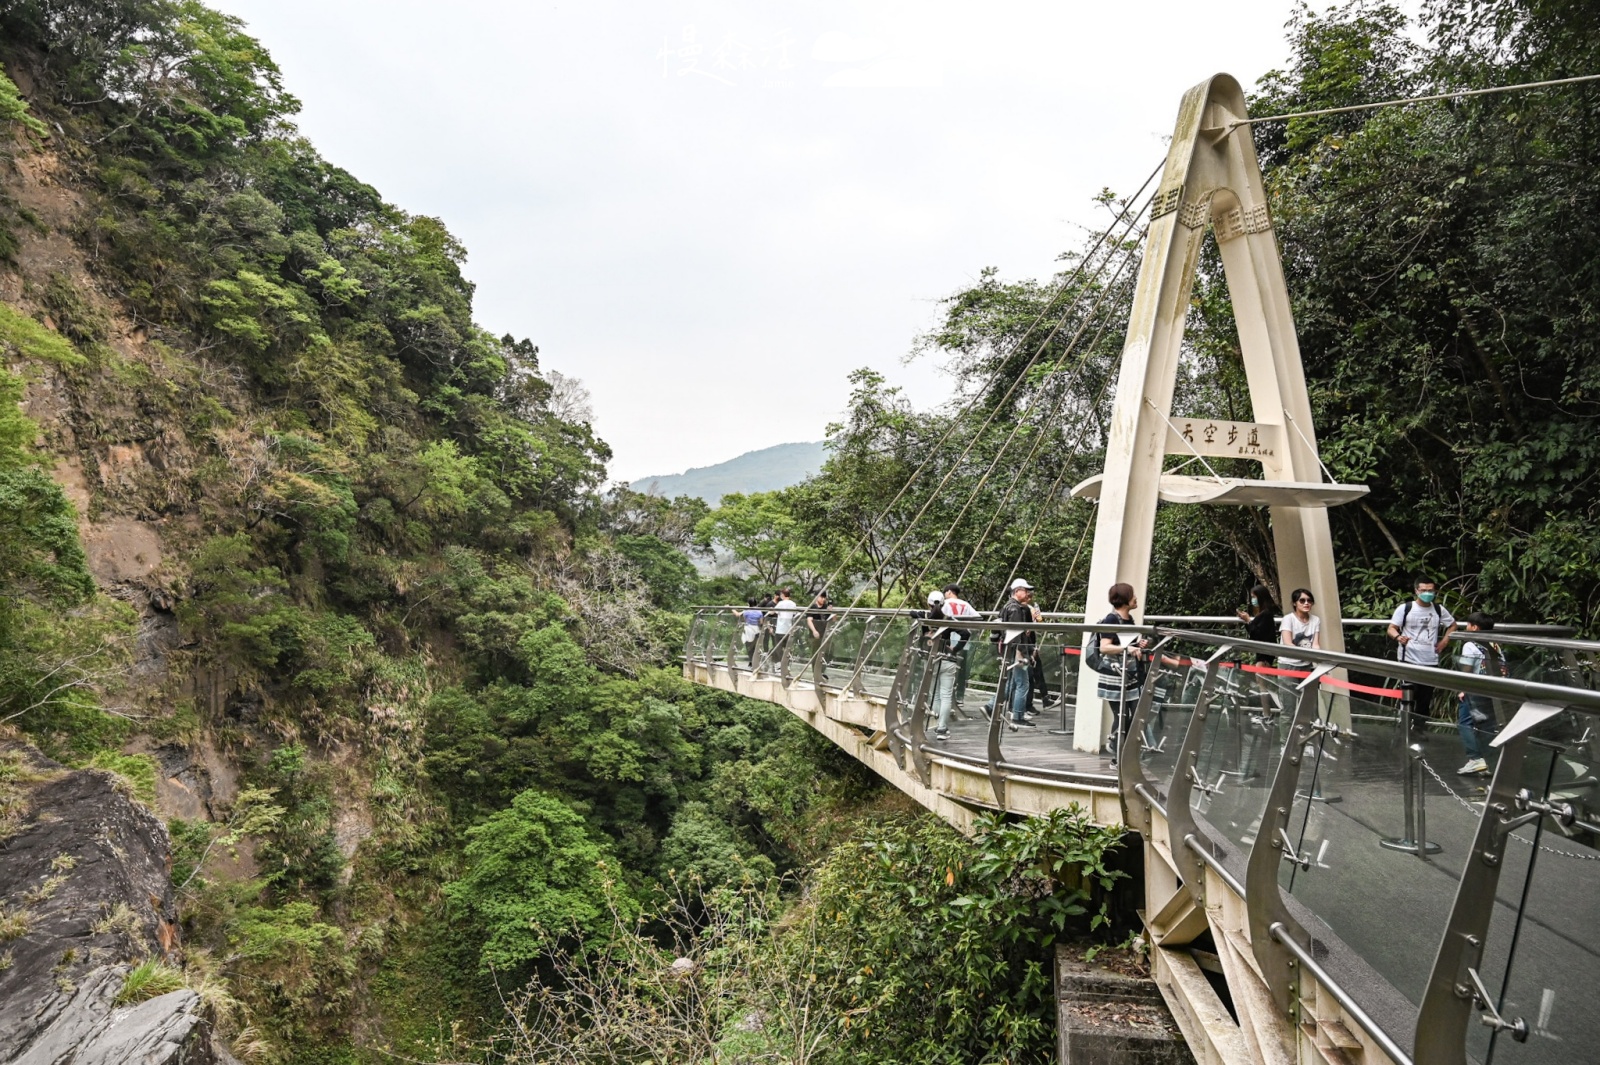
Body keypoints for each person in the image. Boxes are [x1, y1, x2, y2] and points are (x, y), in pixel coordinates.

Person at [1387, 576, 1457, 729]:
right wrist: (1399, 637)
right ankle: (1404, 726)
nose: (1427, 593)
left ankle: (1419, 729)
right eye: (1423, 590)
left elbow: (1452, 625)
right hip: (1408, 660)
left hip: (1431, 660)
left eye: (1430, 590)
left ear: (1435, 591)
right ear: (1416, 591)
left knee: (1425, 699)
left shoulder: (1439, 609)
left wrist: (1445, 641)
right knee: (1408, 696)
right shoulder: (1406, 608)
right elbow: (1391, 628)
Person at [1096, 582, 1149, 765]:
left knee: (1133, 715)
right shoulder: (1111, 619)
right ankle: (1118, 757)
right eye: (1133, 595)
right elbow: (1105, 647)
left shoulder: (1129, 620)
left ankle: (1123, 752)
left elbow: (1127, 644)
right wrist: (1127, 648)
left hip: (1130, 674)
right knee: (1122, 716)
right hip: (1115, 674)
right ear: (1125, 599)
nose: (1136, 598)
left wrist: (1136, 646)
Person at [1455, 612, 1503, 775]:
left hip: (1475, 690)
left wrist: (1463, 689)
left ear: (1474, 627)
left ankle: (1475, 759)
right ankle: (1490, 761)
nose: (1466, 628)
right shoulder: (1494, 644)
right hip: (1493, 689)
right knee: (1488, 726)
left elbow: (1467, 670)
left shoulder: (1470, 645)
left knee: (1465, 723)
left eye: (1468, 625)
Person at [912, 591, 963, 740]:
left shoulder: (924, 616)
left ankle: (936, 720)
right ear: (943, 603)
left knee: (934, 694)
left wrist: (918, 613)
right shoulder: (948, 619)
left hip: (930, 660)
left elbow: (911, 613)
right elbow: (965, 633)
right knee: (946, 694)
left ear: (929, 603)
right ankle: (942, 728)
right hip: (947, 659)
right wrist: (954, 648)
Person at [997, 578, 1041, 731]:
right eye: (1025, 590)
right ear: (1017, 591)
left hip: (1011, 650)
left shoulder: (1010, 607)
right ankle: (1017, 715)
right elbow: (1016, 635)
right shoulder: (1015, 609)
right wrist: (1022, 654)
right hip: (1016, 652)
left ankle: (992, 707)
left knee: (1011, 682)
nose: (1028, 593)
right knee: (1022, 684)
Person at [1236, 584, 1279, 714]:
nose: (1252, 600)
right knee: (1261, 683)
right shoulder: (1263, 614)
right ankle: (1266, 713)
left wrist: (1249, 620)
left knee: (1262, 684)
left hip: (1264, 655)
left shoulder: (1266, 615)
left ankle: (1267, 714)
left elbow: (1258, 633)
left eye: (1254, 597)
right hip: (1262, 653)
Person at [943, 584, 976, 712]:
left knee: (947, 668)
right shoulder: (966, 605)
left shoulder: (945, 604)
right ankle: (959, 697)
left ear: (949, 592)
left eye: (946, 592)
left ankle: (947, 696)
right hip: (963, 639)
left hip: (948, 639)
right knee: (961, 670)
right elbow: (977, 617)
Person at [1278, 588, 1321, 669]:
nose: (1306, 603)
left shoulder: (1316, 620)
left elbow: (1315, 645)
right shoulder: (1288, 619)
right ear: (1295, 603)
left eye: (1309, 600)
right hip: (1288, 663)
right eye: (1302, 601)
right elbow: (1288, 643)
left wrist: (1320, 662)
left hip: (1307, 664)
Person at [805, 590, 832, 679]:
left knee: (825, 653)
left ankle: (821, 672)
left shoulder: (826, 607)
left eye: (824, 598)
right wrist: (814, 631)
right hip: (815, 634)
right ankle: (815, 673)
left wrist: (831, 612)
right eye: (821, 597)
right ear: (817, 597)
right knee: (816, 654)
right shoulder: (812, 607)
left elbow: (833, 619)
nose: (823, 599)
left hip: (824, 634)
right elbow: (809, 620)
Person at [771, 587, 800, 667]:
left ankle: (781, 663)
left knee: (778, 647)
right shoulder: (793, 604)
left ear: (783, 595)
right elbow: (795, 614)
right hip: (789, 629)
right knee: (787, 648)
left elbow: (774, 612)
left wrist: (771, 610)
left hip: (780, 629)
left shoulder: (780, 604)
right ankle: (786, 663)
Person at [739, 597, 764, 668]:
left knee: (749, 647)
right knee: (756, 646)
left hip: (748, 629)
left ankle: (751, 661)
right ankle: (756, 661)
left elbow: (745, 619)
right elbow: (761, 622)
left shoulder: (746, 611)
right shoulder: (759, 612)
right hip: (756, 629)